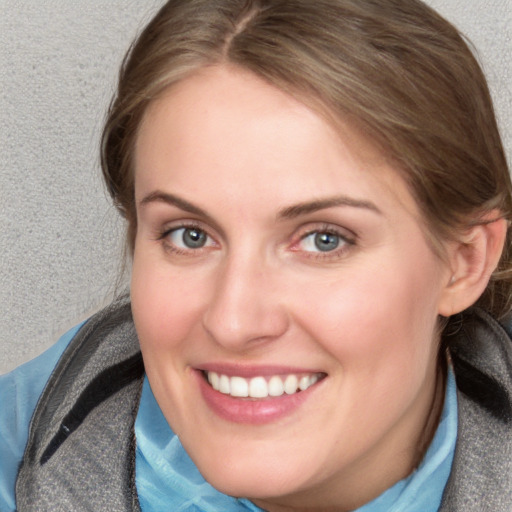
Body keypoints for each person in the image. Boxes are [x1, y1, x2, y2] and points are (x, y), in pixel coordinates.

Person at [1, 0, 511, 510]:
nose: (234, 321)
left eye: (323, 239)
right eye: (189, 235)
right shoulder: (16, 449)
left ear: (464, 263)